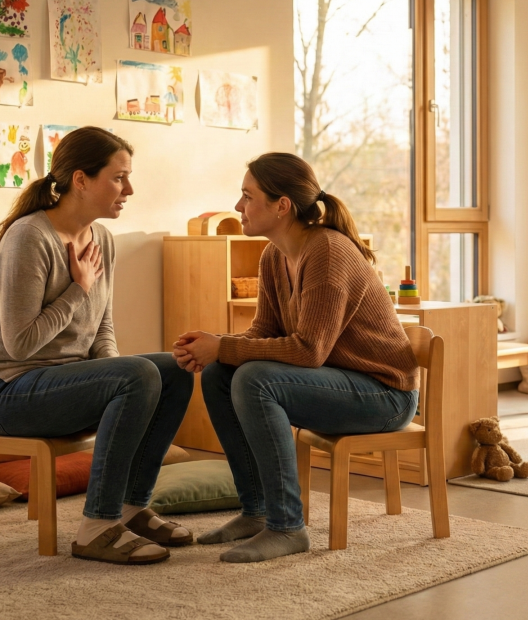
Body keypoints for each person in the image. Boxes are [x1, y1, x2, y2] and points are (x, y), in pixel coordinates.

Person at [172, 153, 419, 563]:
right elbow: (263, 334)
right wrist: (216, 346)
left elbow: (309, 350)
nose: (238, 207)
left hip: (384, 397)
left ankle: (287, 527)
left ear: (282, 205)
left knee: (253, 378)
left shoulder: (327, 252)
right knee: (220, 372)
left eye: (248, 197)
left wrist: (224, 345)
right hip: (336, 382)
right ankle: (258, 512)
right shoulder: (273, 256)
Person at [0, 126, 194, 565]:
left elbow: (102, 329)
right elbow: (20, 344)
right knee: (140, 372)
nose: (129, 189)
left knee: (175, 366)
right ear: (81, 180)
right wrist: (78, 290)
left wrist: (121, 381)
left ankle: (130, 507)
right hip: (17, 391)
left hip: (68, 387)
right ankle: (96, 526)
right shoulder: (29, 237)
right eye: (119, 177)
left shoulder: (101, 238)